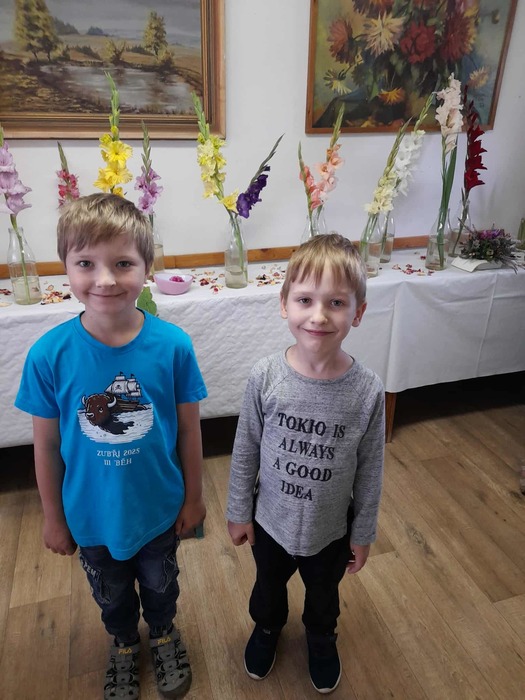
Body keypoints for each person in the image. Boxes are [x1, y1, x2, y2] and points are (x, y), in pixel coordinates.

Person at [15, 193, 207, 700]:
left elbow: (190, 431)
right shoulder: (48, 355)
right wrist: (53, 518)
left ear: (147, 268)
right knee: (111, 594)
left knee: (162, 585)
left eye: (122, 263)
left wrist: (194, 498)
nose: (105, 280)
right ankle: (123, 643)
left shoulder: (173, 346)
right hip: (90, 516)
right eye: (86, 264)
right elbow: (45, 447)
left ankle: (162, 633)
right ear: (65, 267)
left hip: (158, 510)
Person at [226, 233, 384, 694]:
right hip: (270, 523)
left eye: (336, 302)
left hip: (330, 530)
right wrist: (238, 510)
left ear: (357, 312)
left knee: (323, 597)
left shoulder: (367, 390)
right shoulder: (265, 376)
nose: (318, 315)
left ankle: (320, 638)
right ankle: (267, 628)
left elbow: (371, 469)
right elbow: (246, 448)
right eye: (305, 300)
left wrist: (363, 532)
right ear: (284, 304)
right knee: (268, 589)